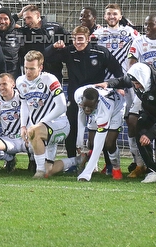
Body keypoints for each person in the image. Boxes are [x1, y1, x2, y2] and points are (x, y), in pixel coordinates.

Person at [45, 25, 122, 160]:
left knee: (100, 129)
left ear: (88, 39)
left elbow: (117, 70)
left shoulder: (101, 52)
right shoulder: (69, 52)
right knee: (71, 128)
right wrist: (53, 47)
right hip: (75, 97)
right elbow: (45, 57)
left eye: (80, 39)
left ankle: (107, 163)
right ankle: (72, 161)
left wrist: (118, 86)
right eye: (74, 39)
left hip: (97, 99)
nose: (77, 42)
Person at [103, 62, 156, 184]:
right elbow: (122, 81)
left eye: (138, 83)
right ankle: (151, 171)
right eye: (134, 84)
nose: (136, 87)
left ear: (144, 78)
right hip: (149, 115)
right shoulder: (135, 79)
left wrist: (151, 134)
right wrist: (107, 83)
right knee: (140, 130)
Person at [16, 50, 70, 179]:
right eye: (26, 68)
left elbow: (62, 107)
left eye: (32, 69)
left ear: (40, 67)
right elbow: (24, 104)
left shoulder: (49, 79)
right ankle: (78, 160)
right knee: (49, 171)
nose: (28, 72)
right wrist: (23, 126)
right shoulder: (20, 81)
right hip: (40, 127)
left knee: (34, 132)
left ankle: (39, 172)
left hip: (59, 124)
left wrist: (40, 123)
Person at [73, 85, 127, 181]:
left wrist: (86, 174)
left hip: (116, 109)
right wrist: (79, 143)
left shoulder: (105, 109)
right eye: (85, 106)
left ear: (97, 102)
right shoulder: (78, 94)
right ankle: (88, 158)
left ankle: (116, 168)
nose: (87, 109)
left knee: (109, 143)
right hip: (98, 107)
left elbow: (99, 143)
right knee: (91, 144)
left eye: (90, 106)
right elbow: (81, 114)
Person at [18, 4, 66, 78]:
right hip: (33, 75)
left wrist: (61, 53)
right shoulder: (24, 31)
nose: (27, 21)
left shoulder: (55, 28)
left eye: (29, 18)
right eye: (24, 19)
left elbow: (71, 43)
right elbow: (7, 24)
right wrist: (19, 14)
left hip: (54, 73)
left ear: (37, 15)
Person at [93, 3, 139, 72]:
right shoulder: (97, 33)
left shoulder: (130, 31)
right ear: (104, 16)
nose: (111, 16)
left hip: (124, 76)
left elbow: (142, 43)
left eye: (115, 14)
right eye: (108, 14)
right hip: (104, 77)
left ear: (120, 17)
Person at [0, 7, 22, 76]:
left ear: (10, 20)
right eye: (0, 18)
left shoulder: (19, 34)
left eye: (5, 19)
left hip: (12, 76)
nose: (2, 21)